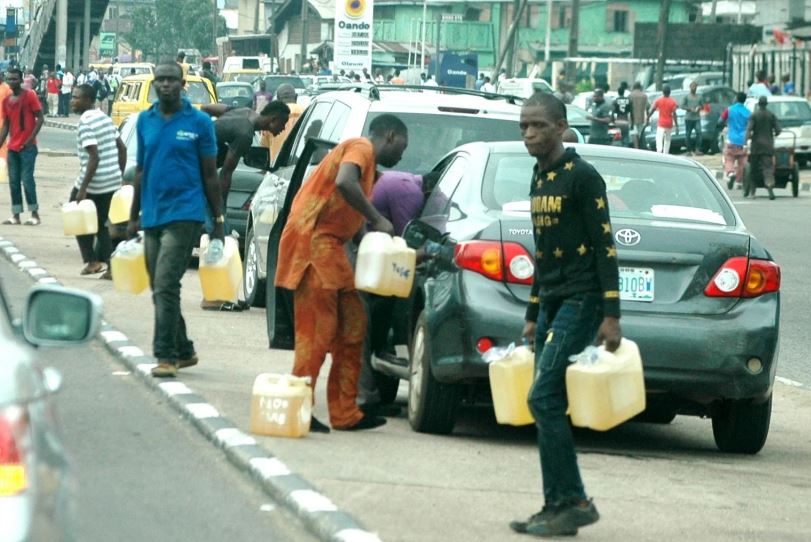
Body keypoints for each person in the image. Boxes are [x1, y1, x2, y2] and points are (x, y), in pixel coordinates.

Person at [510, 92, 620, 537]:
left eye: (537, 126)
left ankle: (573, 500)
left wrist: (611, 315)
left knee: (541, 397)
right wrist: (534, 312)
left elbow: (605, 247)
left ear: (560, 127)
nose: (529, 134)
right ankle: (557, 505)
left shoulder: (583, 177)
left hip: (582, 298)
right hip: (553, 299)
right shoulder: (539, 178)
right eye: (523, 128)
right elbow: (543, 252)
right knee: (547, 400)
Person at [274, 114, 409, 432]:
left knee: (353, 326)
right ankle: (299, 409)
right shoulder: (361, 147)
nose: (402, 156)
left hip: (332, 249)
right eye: (401, 147)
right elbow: (344, 182)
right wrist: (378, 218)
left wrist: (393, 249)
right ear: (388, 136)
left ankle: (346, 412)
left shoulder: (371, 173)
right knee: (316, 332)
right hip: (312, 244)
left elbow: (357, 224)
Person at [126, 61, 224, 378]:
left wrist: (219, 220)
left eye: (172, 80)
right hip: (152, 212)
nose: (166, 85)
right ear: (155, 85)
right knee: (159, 286)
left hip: (186, 213)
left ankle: (166, 356)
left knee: (167, 282)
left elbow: (210, 174)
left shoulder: (199, 122)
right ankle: (184, 348)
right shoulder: (145, 121)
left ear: (182, 84)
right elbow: (141, 170)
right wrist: (132, 216)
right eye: (161, 80)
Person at [69, 83, 127, 278]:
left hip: (94, 182)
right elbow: (122, 148)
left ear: (88, 100)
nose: (72, 101)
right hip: (110, 181)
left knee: (75, 214)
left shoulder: (85, 123)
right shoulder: (104, 117)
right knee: (101, 224)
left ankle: (92, 261)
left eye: (76, 97)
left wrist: (83, 188)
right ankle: (111, 266)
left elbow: (94, 157)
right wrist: (118, 175)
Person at [202, 101, 289, 205]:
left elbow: (205, 108)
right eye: (283, 123)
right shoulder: (245, 135)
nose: (283, 129)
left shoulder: (244, 111)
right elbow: (226, 173)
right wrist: (221, 209)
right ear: (274, 120)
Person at [0, 68, 43, 226]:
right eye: (9, 79)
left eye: (15, 79)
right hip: (13, 147)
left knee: (27, 180)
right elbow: (6, 126)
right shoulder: (7, 101)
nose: (12, 82)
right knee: (13, 182)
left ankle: (34, 214)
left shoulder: (30, 96)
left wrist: (31, 139)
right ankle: (16, 215)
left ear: (21, 80)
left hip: (28, 148)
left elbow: (40, 118)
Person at [745, 96, 781, 200]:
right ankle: (769, 185)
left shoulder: (754, 115)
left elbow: (749, 129)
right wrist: (771, 134)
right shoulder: (771, 115)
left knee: (753, 169)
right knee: (768, 168)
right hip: (768, 146)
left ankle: (752, 193)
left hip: (756, 146)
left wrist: (745, 142)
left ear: (759, 104)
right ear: (766, 104)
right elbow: (778, 130)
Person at [264, 84, 303, 164]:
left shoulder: (270, 118)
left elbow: (264, 151)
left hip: (277, 170)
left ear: (278, 99)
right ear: (296, 97)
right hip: (301, 169)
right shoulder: (306, 113)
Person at [720, 92, 751, 190]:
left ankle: (731, 173)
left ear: (736, 98)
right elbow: (751, 126)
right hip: (743, 141)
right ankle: (739, 181)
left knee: (729, 158)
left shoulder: (729, 110)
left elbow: (720, 121)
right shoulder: (748, 112)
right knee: (742, 161)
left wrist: (722, 126)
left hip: (731, 139)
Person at [649, 85, 678, 154]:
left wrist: (648, 116)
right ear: (670, 92)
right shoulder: (673, 102)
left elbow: (653, 109)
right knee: (667, 139)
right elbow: (674, 114)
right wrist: (677, 126)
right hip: (669, 123)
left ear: (663, 92)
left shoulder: (659, 100)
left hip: (661, 123)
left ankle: (659, 150)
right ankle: (666, 152)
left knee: (659, 137)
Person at [681, 82, 704, 156]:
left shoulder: (699, 97)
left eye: (695, 86)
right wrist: (690, 109)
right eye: (693, 86)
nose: (694, 88)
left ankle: (697, 149)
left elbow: (703, 106)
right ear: (690, 87)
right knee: (688, 134)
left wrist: (699, 107)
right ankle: (688, 150)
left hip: (697, 118)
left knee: (699, 133)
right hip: (688, 118)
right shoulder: (686, 97)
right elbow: (682, 106)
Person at [628, 82, 648, 149]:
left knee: (634, 134)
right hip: (641, 118)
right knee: (640, 134)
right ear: (640, 87)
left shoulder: (630, 95)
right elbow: (647, 107)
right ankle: (640, 147)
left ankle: (636, 148)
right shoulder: (644, 96)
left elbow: (628, 108)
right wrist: (647, 117)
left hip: (632, 118)